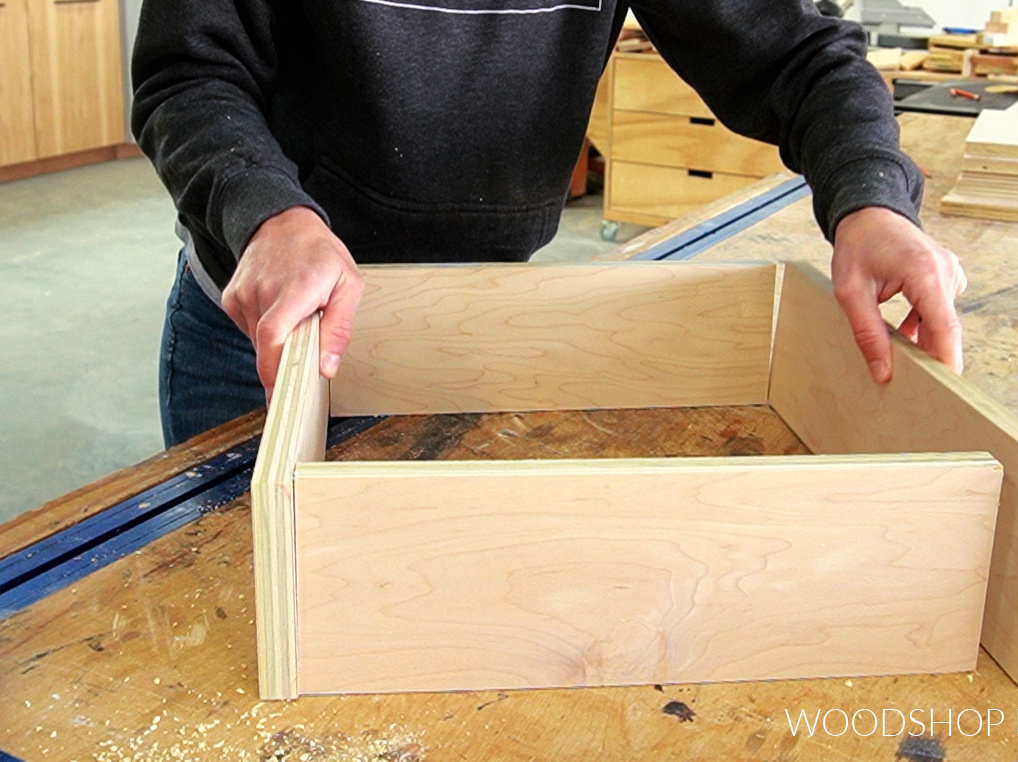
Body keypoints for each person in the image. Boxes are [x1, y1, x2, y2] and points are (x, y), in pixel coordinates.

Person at [132, 0, 966, 448]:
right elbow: (189, 74)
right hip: (266, 321)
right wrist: (268, 213)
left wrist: (870, 198)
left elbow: (800, 57)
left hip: (478, 322)